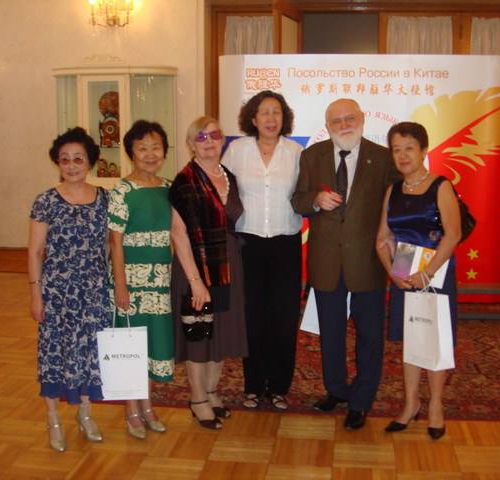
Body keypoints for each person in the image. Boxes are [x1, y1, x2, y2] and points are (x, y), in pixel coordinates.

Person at [291, 98, 401, 430]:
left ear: (362, 119)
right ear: (328, 126)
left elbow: (397, 206)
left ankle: (361, 400)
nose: (344, 125)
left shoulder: (383, 158)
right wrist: (315, 200)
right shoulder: (312, 156)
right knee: (331, 333)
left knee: (370, 335)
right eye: (336, 121)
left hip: (368, 261)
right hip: (326, 262)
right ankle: (336, 389)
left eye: (349, 118)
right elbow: (297, 200)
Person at [376, 121, 461, 440]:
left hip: (436, 274)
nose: (403, 155)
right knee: (411, 339)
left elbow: (453, 234)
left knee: (434, 338)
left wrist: (427, 272)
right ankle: (411, 404)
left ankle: (436, 405)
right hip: (404, 274)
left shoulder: (441, 186)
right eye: (397, 149)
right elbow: (382, 239)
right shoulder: (393, 190)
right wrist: (393, 273)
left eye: (409, 148)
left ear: (424, 150)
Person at [28, 127, 110, 452]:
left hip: (93, 290)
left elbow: (109, 247)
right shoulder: (46, 200)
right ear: (57, 163)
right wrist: (36, 295)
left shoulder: (105, 199)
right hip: (57, 292)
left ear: (90, 161)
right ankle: (53, 420)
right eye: (65, 159)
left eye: (78, 158)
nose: (72, 165)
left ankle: (85, 415)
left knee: (90, 352)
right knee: (54, 353)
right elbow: (35, 252)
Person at [222, 90, 303, 411]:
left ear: (284, 118)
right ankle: (253, 386)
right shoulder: (237, 151)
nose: (271, 118)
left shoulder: (296, 152)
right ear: (253, 118)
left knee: (283, 318)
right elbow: (221, 188)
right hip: (248, 244)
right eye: (264, 112)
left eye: (276, 112)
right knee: (252, 317)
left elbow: (305, 193)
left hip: (286, 244)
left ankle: (279, 387)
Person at [169, 116, 248, 430]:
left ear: (223, 139)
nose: (209, 141)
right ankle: (198, 398)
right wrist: (195, 282)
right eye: (201, 137)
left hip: (228, 264)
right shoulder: (185, 181)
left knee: (221, 332)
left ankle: (213, 392)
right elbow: (178, 234)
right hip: (196, 266)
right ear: (191, 144)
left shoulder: (229, 176)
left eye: (214, 135)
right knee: (199, 334)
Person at [108, 120, 173, 440]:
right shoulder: (123, 191)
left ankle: (148, 404)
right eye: (142, 148)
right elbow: (114, 241)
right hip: (131, 282)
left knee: (150, 344)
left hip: (160, 281)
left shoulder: (168, 188)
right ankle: (131, 409)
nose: (150, 154)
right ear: (131, 153)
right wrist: (120, 285)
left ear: (164, 152)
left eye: (156, 147)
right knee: (131, 345)